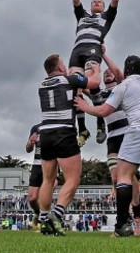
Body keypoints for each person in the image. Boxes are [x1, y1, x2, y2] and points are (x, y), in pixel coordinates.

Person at [75, 55, 140, 238]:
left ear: (126, 70)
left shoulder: (124, 86)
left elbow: (104, 110)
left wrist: (84, 106)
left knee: (123, 176)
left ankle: (121, 226)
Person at [37, 54, 101, 236]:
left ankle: (43, 220)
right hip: (64, 132)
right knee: (72, 179)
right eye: (63, 64)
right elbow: (94, 83)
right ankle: (56, 215)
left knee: (48, 180)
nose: (65, 67)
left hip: (46, 133)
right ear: (58, 67)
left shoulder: (41, 84)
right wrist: (95, 69)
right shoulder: (68, 79)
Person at [89, 47, 140, 236]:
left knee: (128, 176)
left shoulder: (123, 86)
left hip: (128, 133)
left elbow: (119, 73)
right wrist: (91, 63)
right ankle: (126, 217)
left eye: (109, 73)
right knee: (116, 178)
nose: (107, 75)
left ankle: (137, 214)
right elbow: (87, 84)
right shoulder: (100, 95)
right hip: (113, 137)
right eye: (104, 75)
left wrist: (103, 54)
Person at [70, 0, 120, 146]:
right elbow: (75, 1)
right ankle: (82, 128)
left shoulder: (106, 17)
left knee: (91, 82)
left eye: (99, 1)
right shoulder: (82, 16)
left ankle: (100, 123)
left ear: (103, 6)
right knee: (75, 86)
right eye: (94, 1)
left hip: (93, 49)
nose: (96, 2)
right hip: (77, 51)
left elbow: (115, 0)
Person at [26, 122, 43, 230]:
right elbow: (28, 149)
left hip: (51, 164)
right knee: (32, 198)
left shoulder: (58, 126)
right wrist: (31, 143)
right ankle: (38, 213)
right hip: (37, 166)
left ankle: (43, 220)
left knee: (45, 193)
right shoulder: (36, 128)